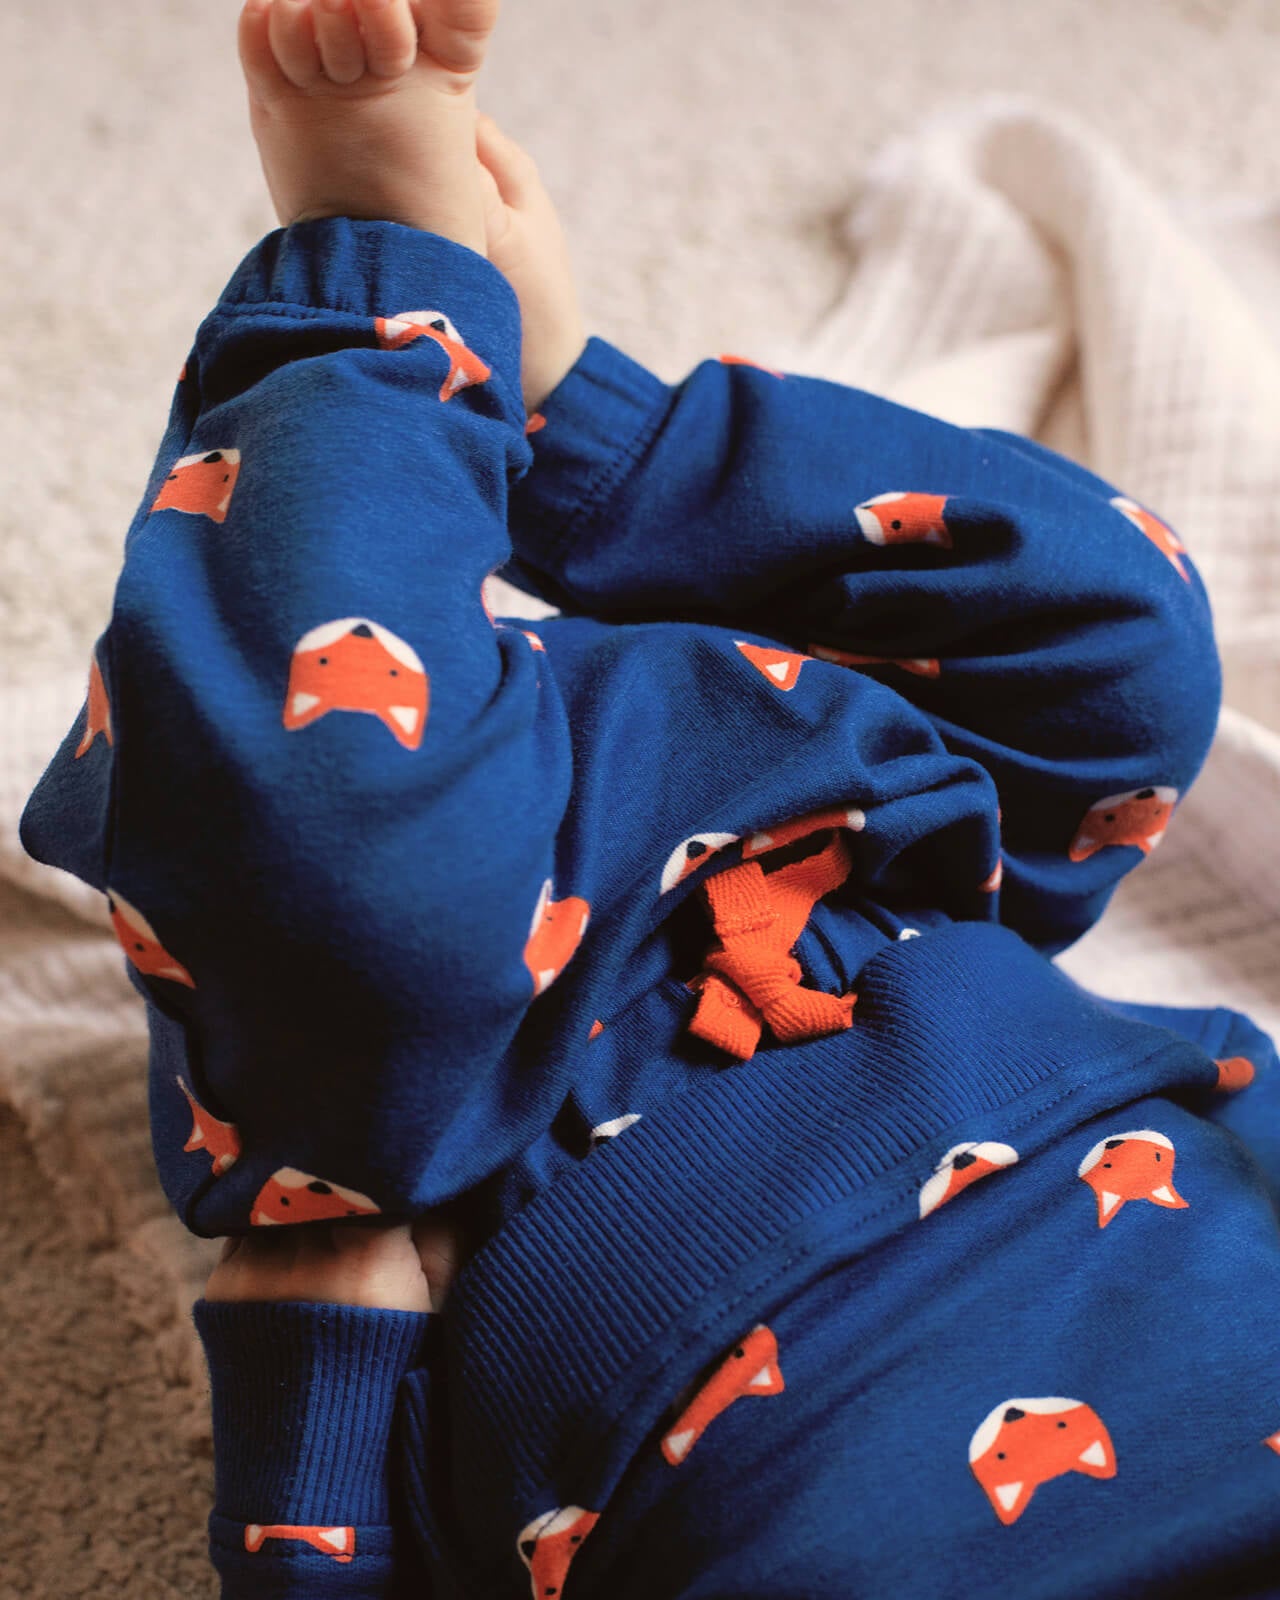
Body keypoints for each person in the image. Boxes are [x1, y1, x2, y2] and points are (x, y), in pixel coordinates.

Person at [19, 0, 1280, 1594]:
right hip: (897, 897)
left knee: (354, 889)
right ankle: (572, 424)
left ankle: (383, 292)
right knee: (1132, 642)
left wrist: (313, 1397)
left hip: (470, 1125)